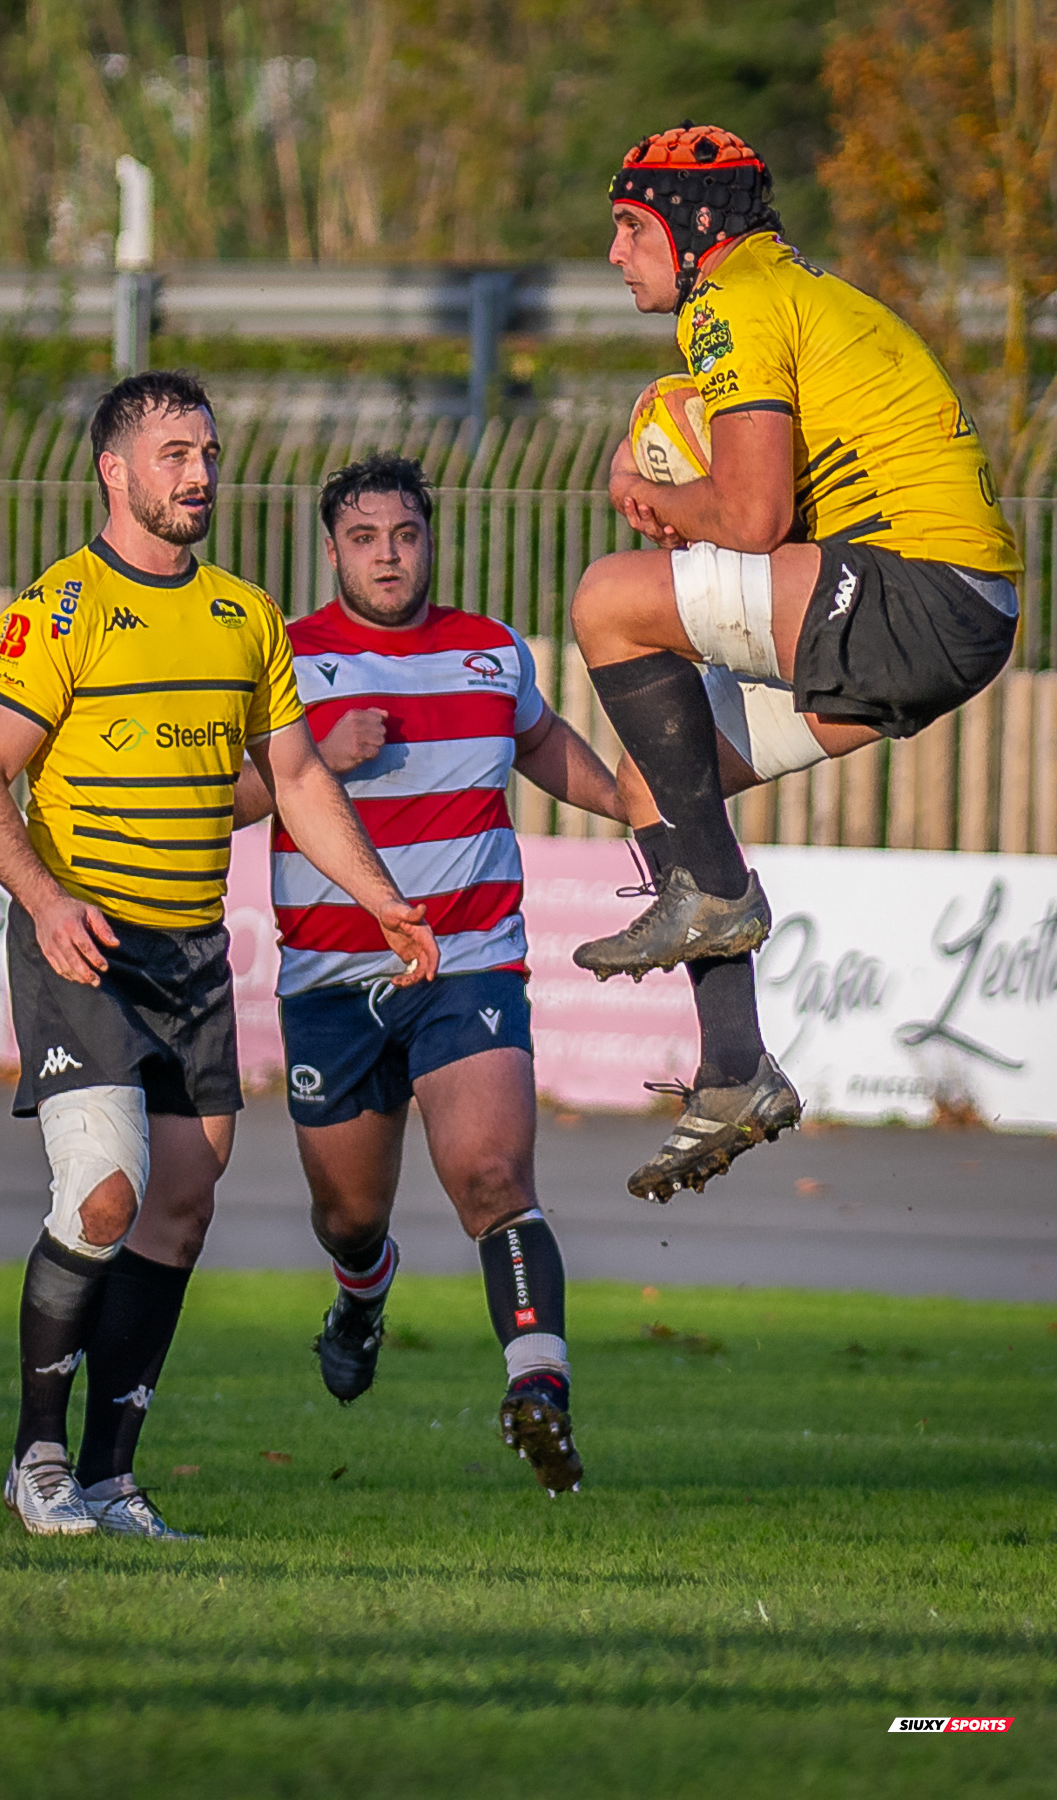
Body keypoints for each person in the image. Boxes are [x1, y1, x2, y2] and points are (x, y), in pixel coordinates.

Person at [0, 373, 438, 1538]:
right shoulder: (57, 611)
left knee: (178, 1210)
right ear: (114, 472)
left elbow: (303, 781)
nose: (199, 475)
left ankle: (112, 1478)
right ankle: (36, 1460)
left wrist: (382, 902)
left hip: (192, 959)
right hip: (87, 944)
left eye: (207, 453)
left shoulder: (242, 614)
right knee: (107, 1194)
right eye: (173, 454)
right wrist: (45, 898)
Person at [568, 124, 1021, 1204]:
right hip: (953, 613)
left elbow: (751, 514)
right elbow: (766, 516)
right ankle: (733, 1072)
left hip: (916, 591)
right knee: (652, 780)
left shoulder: (730, 298)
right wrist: (693, 513)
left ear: (694, 233)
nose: (616, 253)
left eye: (631, 229)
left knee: (602, 599)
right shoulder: (783, 291)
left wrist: (647, 497)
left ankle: (714, 893)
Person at [233, 454, 624, 1496]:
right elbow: (220, 799)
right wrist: (315, 756)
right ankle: (361, 1291)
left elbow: (542, 746)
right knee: (349, 1216)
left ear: (429, 538)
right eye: (364, 539)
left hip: (467, 962)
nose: (387, 555)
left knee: (494, 1179)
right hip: (330, 979)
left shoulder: (490, 652)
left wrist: (641, 809)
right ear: (331, 552)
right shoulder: (285, 660)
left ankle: (536, 1387)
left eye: (403, 535)